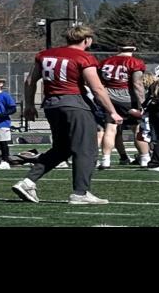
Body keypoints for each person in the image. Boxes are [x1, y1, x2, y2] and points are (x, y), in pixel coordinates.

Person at [13, 24, 122, 205]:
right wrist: (112, 111)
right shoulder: (84, 57)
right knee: (86, 149)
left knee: (62, 148)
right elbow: (97, 88)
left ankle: (28, 181)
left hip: (51, 104)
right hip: (75, 104)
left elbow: (30, 81)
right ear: (87, 40)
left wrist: (30, 105)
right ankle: (80, 192)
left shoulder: (45, 54)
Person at [96, 44, 147, 168]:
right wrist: (143, 104)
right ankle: (145, 158)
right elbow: (137, 84)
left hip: (109, 98)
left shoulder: (105, 62)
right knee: (137, 129)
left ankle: (106, 159)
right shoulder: (135, 62)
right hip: (128, 98)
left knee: (110, 128)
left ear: (118, 49)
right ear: (134, 49)